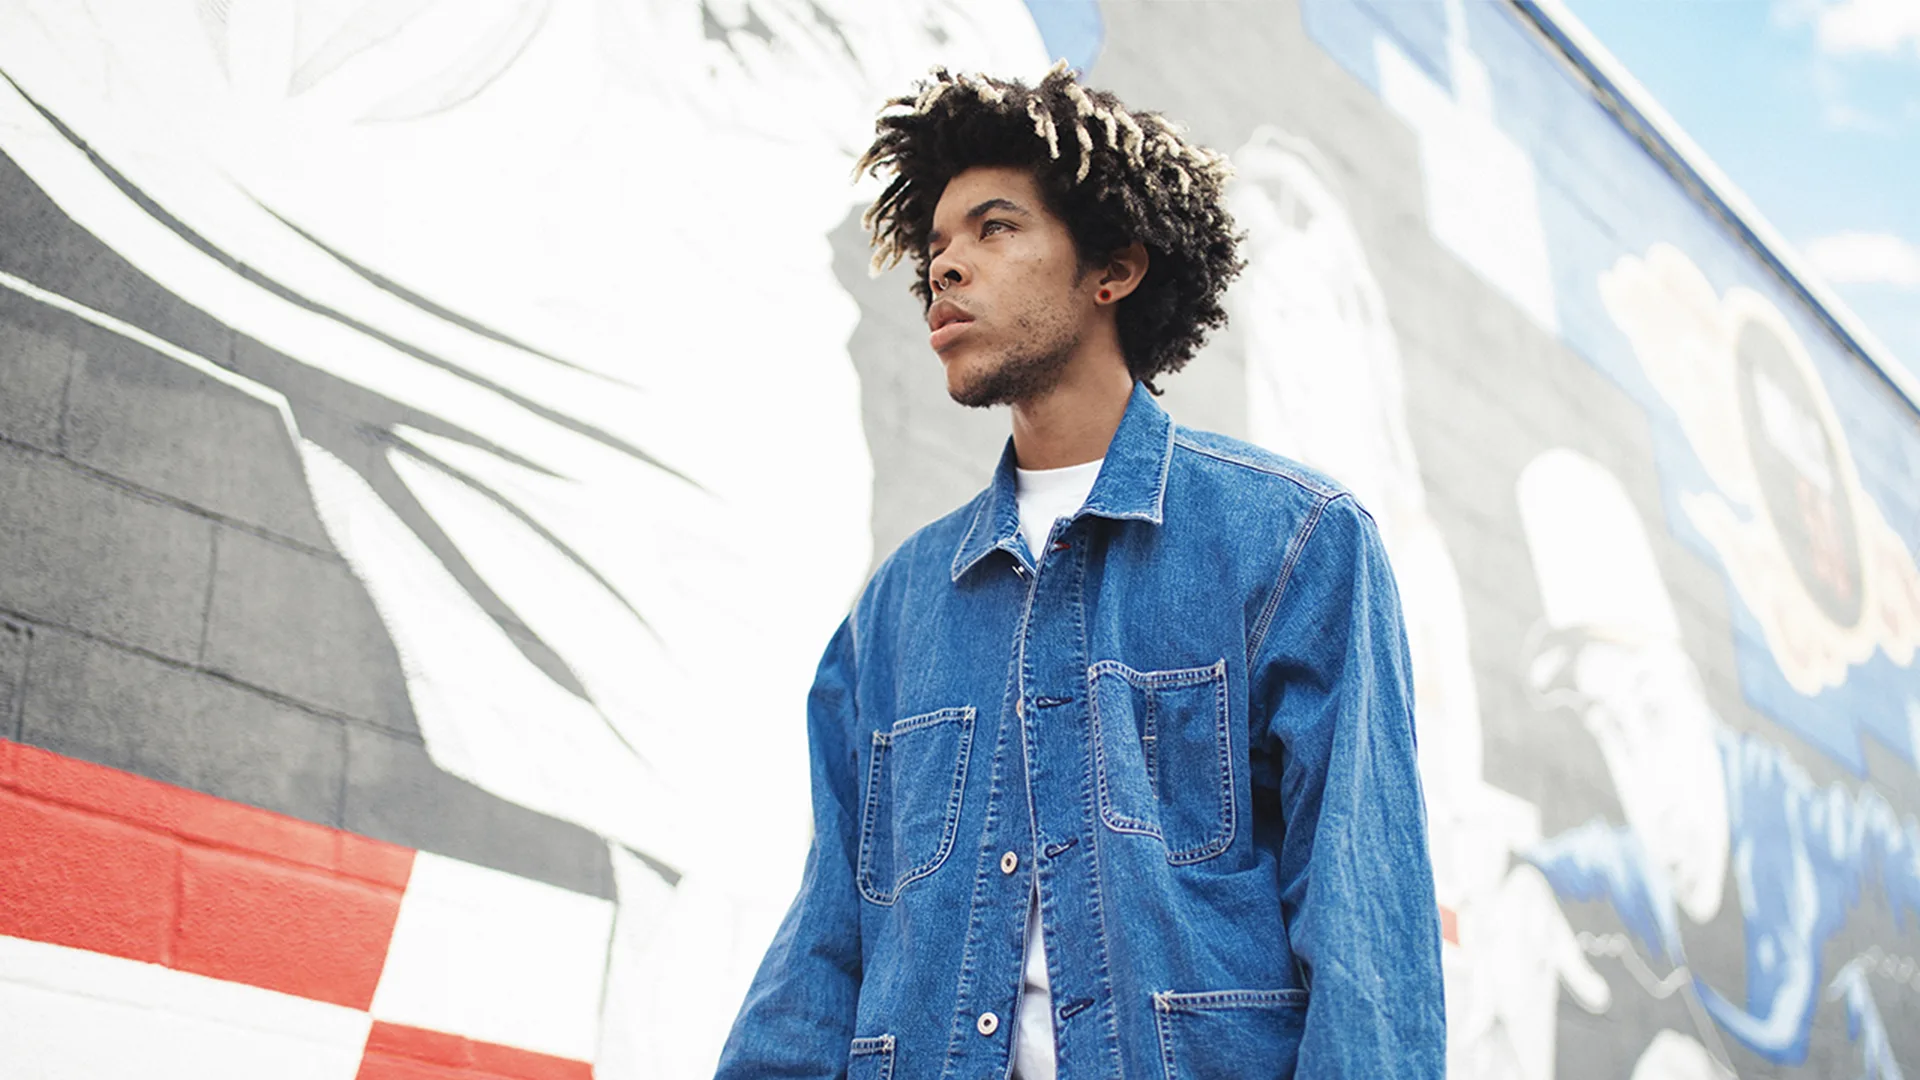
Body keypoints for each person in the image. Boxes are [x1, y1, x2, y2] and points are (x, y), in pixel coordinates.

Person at [714, 62, 1444, 1080]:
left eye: (994, 228)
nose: (946, 270)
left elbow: (1368, 936)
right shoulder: (897, 610)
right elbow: (826, 943)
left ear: (1115, 269)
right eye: (935, 248)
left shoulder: (1295, 543)